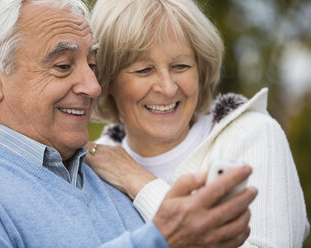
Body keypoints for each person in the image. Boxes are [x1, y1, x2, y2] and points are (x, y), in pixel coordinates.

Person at [0, 0, 257, 247]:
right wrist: (161, 240)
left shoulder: (112, 169)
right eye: (63, 66)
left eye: (92, 64)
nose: (93, 87)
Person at [83, 0, 309, 247]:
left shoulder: (254, 135)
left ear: (201, 69)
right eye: (144, 70)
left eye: (181, 66)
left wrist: (139, 182)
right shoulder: (90, 164)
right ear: (106, 80)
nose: (168, 88)